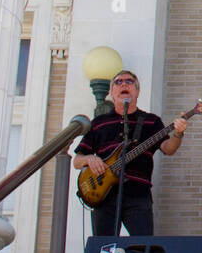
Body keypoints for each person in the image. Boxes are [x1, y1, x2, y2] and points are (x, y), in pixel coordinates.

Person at [72, 70, 187, 236]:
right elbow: (77, 160)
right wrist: (90, 159)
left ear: (137, 92)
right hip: (104, 196)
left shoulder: (151, 121)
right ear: (112, 92)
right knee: (104, 250)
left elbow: (169, 149)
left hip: (138, 195)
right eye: (118, 82)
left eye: (129, 82)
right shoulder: (98, 123)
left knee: (143, 248)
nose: (124, 84)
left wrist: (178, 133)